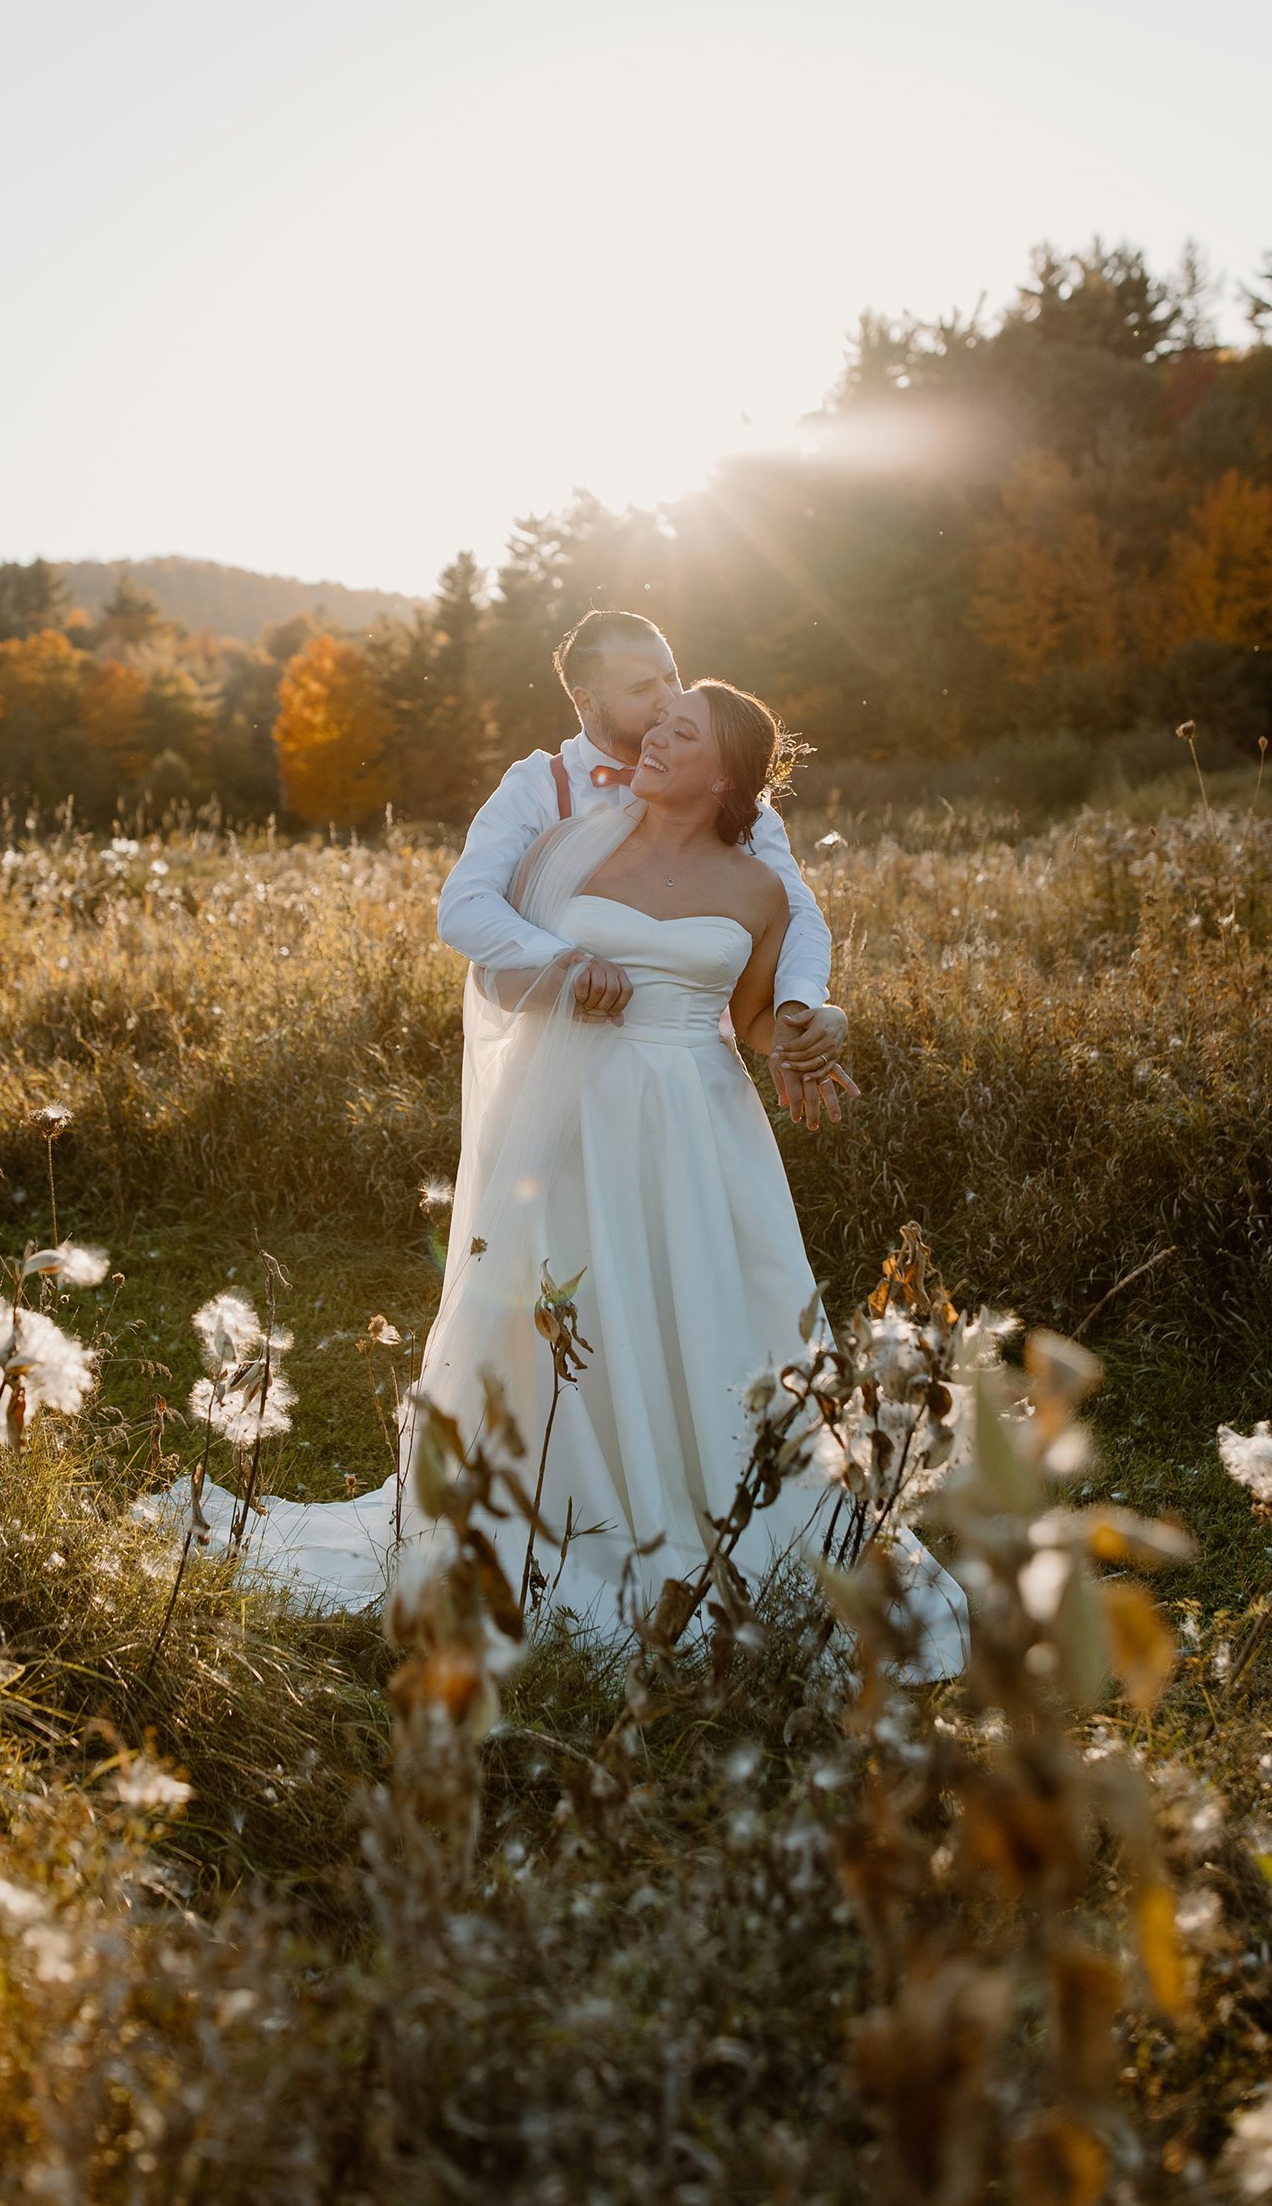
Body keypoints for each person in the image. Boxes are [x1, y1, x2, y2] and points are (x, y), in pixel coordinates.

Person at [202, 676, 968, 1677]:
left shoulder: (760, 887)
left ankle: (744, 1522)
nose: (654, 736)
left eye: (680, 732)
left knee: (716, 1309)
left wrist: (808, 1032)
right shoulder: (573, 845)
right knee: (564, 1314)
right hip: (572, 1121)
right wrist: (565, 967)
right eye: (658, 722)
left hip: (699, 1125)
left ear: (724, 774)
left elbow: (749, 1018)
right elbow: (502, 971)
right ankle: (562, 1512)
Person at [438, 609, 857, 1126]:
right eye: (642, 688)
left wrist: (799, 1005)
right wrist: (568, 963)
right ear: (585, 702)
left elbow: (794, 911)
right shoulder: (537, 788)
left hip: (688, 1085)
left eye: (671, 675)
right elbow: (464, 907)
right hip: (562, 1090)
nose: (666, 698)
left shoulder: (733, 798)